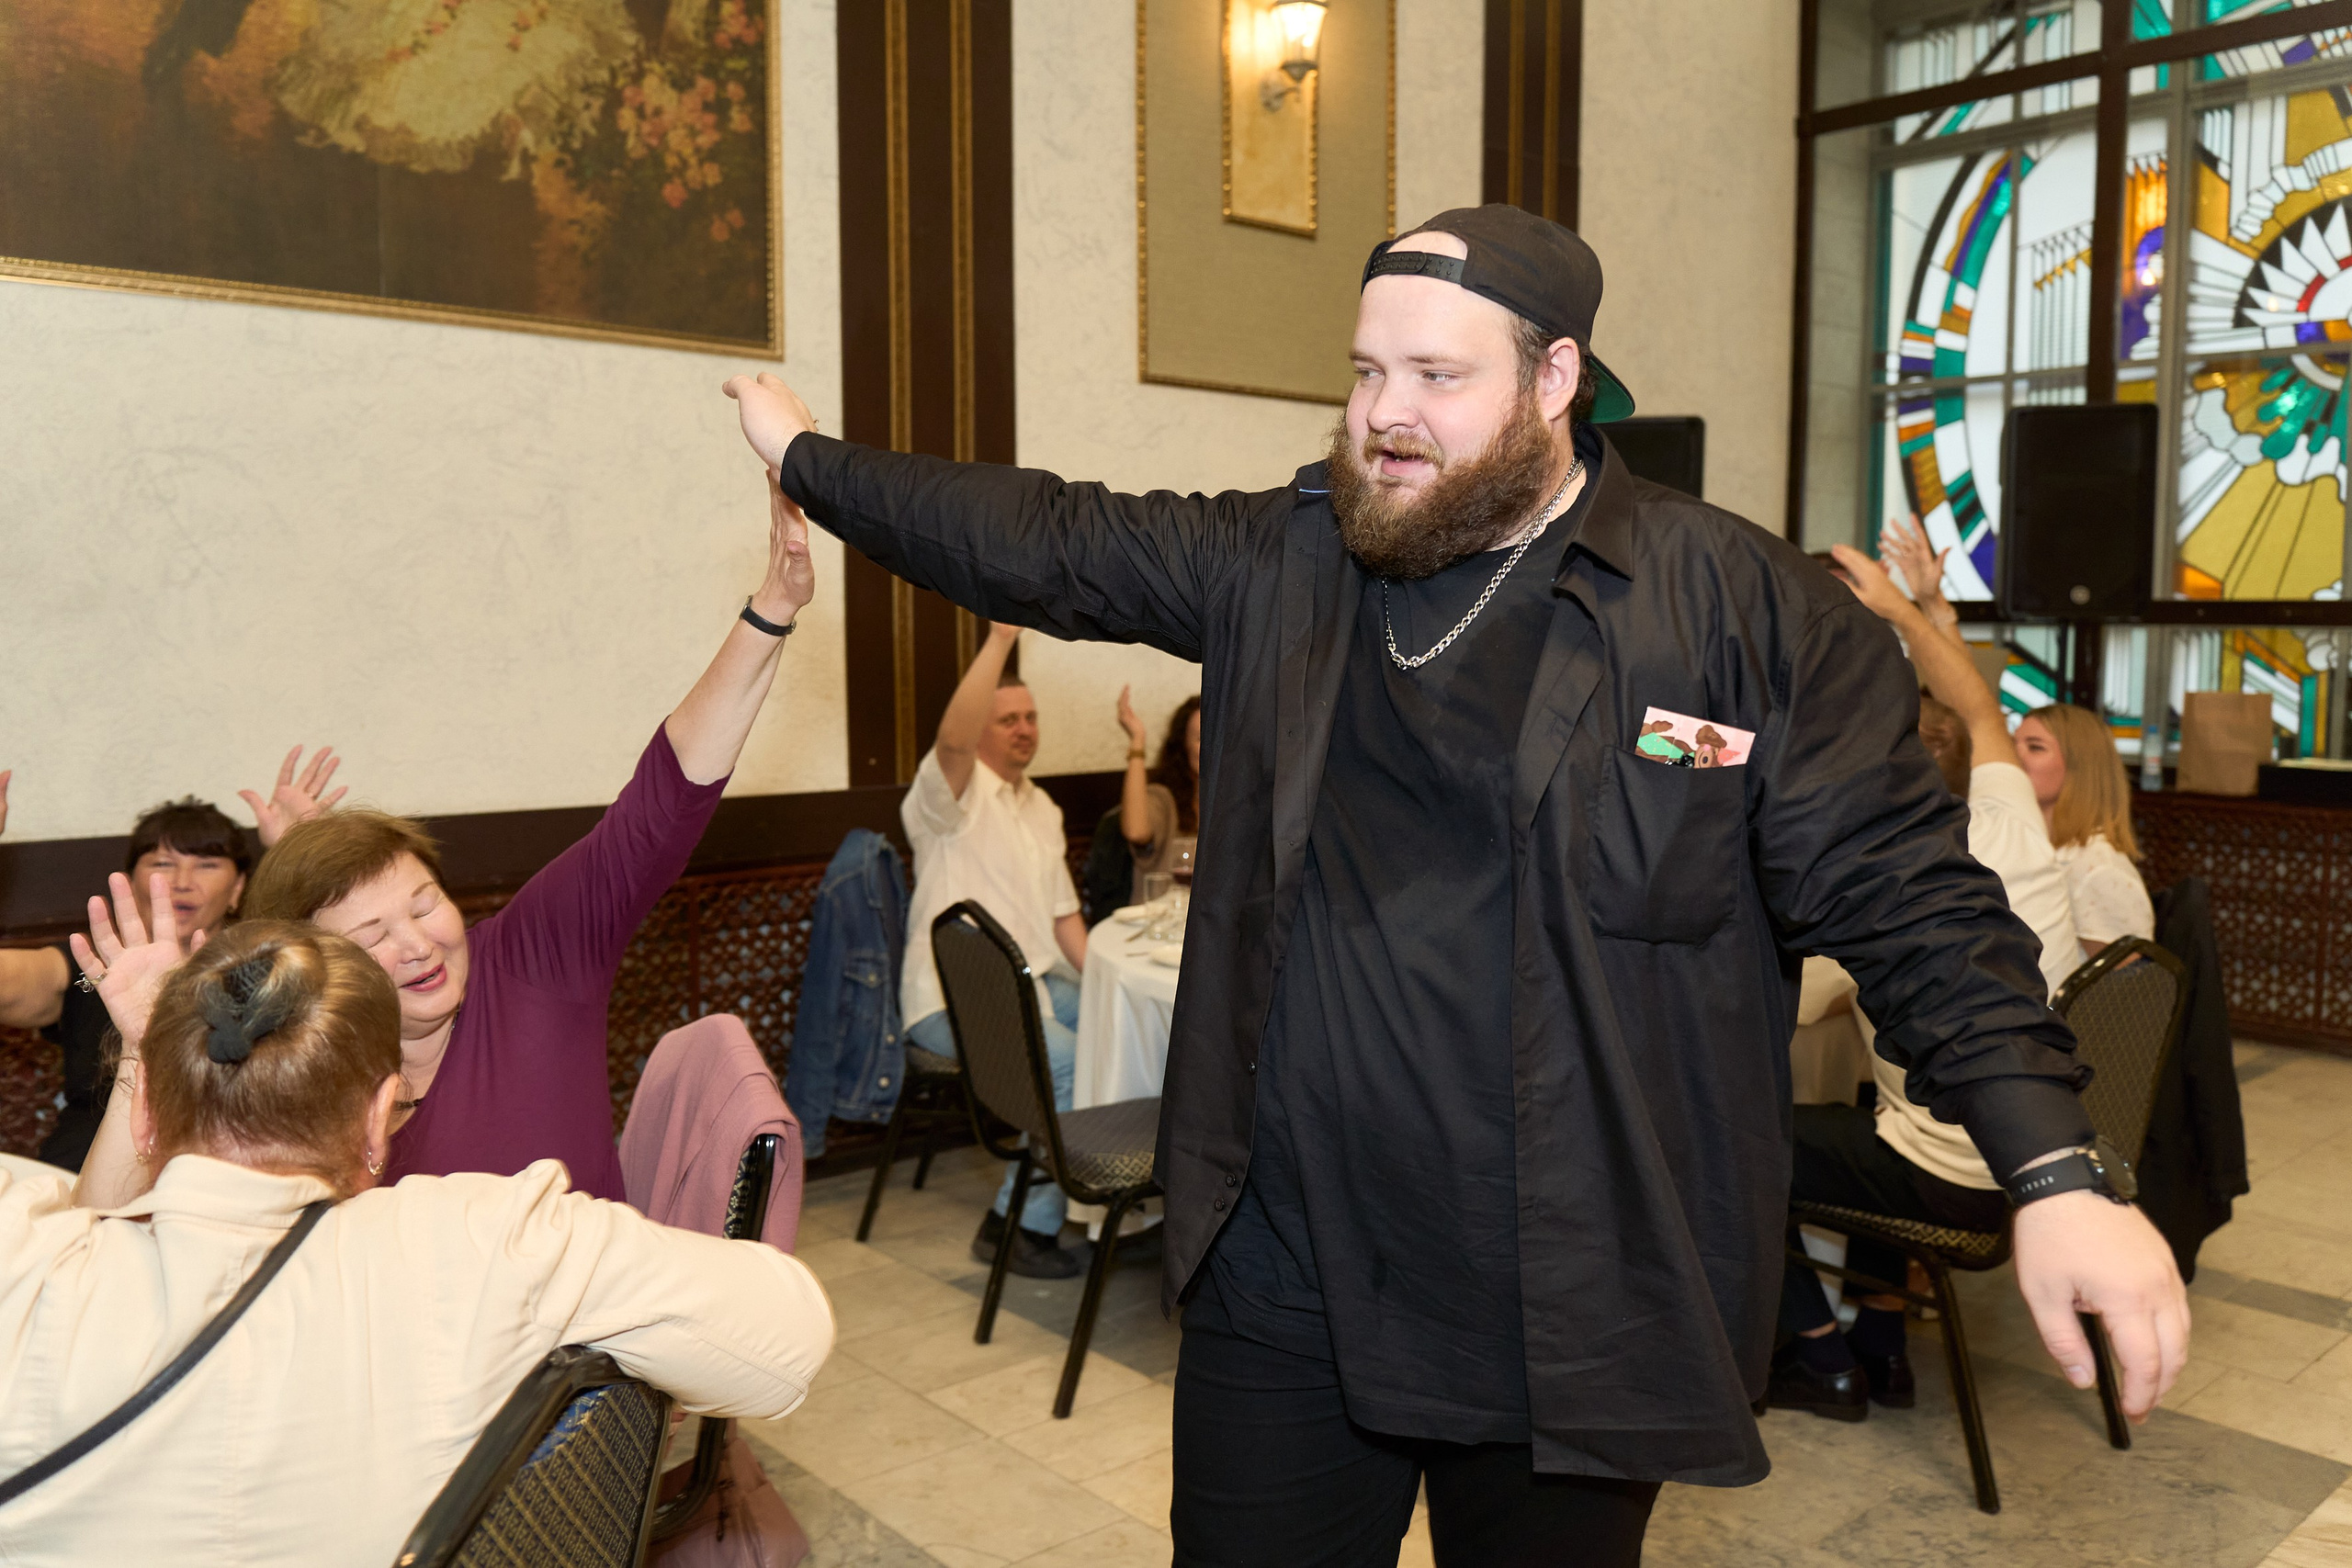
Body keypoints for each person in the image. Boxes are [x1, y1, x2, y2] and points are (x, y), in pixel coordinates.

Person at [722, 204, 2187, 1567]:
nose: (1385, 413)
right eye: (1366, 371)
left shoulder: (1742, 611)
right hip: (1286, 1276)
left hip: (1574, 1287)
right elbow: (1045, 536)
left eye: (1436, 371)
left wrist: (2053, 1168)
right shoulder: (1284, 558)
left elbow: (1913, 905)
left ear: (1557, 379)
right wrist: (811, 461)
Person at [0, 894, 831, 1566]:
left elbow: (91, 1244)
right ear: (375, 1115)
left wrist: (145, 1059)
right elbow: (787, 1341)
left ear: (145, 1109)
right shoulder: (490, 1238)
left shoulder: (25, 1254)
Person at [74, 474, 817, 1212]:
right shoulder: (295, 1052)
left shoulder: (534, 960)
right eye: (372, 934)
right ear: (319, 969)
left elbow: (665, 798)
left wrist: (772, 608)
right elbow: (108, 1239)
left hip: (573, 1326)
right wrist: (147, 1050)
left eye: (424, 905)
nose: (418, 944)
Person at [1774, 543, 2090, 1418]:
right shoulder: (2012, 819)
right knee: (1874, 1101)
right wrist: (1916, 610)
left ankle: (1815, 1354)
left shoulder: (1881, 878)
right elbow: (1980, 705)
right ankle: (1881, 1335)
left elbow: (1791, 1009)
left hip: (1960, 1174)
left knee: (1726, 1134)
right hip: (2043, 1140)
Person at [0, 750, 345, 1172]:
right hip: (86, 1176)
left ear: (239, 888)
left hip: (238, 1172)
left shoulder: (275, 967)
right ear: (127, 883)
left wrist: (299, 856)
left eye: (207, 864)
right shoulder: (90, 971)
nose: (182, 882)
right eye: (163, 863)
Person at [899, 621, 1091, 1279]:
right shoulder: (947, 799)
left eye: (1031, 717)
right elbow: (951, 739)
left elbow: (1067, 920)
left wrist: (1111, 990)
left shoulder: (1041, 806)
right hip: (949, 1002)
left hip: (1035, 981)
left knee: (1120, 1027)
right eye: (1007, 717)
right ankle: (1015, 1226)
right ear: (983, 728)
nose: (1023, 727)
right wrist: (1000, 641)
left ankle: (1119, 1200)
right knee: (1062, 1062)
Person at [1880, 515, 2156, 954]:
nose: (2014, 755)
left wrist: (1907, 612)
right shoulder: (2019, 825)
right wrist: (1933, 607)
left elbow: (2124, 1000)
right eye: (2016, 742)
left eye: (2036, 747)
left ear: (2081, 769)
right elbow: (1972, 709)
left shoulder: (2097, 866)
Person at [1115, 689, 1204, 904]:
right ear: (1183, 747)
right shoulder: (1164, 797)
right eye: (1201, 738)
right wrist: (1137, 740)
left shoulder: (1240, 802)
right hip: (1162, 929)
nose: (1211, 747)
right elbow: (1136, 831)